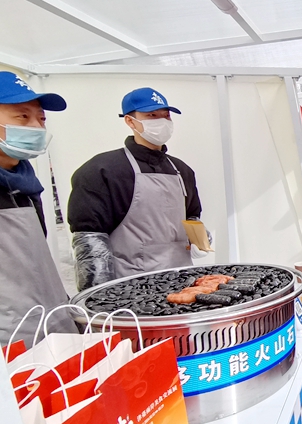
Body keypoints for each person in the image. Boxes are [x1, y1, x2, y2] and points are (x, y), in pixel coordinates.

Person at [68, 88, 202, 290]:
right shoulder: (102, 170)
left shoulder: (182, 170)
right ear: (130, 121)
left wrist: (200, 239)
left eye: (166, 116)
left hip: (183, 281)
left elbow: (192, 215)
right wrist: (99, 295)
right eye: (152, 116)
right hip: (132, 288)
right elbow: (91, 239)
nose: (162, 121)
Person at [0, 72, 76, 346]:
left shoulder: (25, 180)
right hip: (9, 338)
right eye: (22, 117)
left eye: (41, 119)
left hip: (51, 319)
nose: (36, 127)